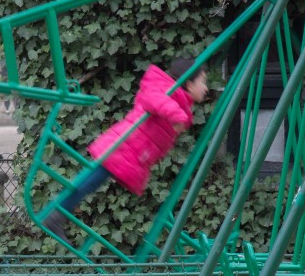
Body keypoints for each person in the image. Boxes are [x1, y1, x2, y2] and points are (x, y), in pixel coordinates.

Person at [44, 56, 209, 244]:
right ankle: (56, 214)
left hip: (130, 152)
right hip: (122, 146)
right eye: (203, 82)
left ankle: (58, 213)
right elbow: (153, 99)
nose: (206, 88)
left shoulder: (178, 100)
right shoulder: (164, 88)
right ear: (188, 83)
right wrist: (178, 116)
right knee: (88, 181)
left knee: (90, 182)